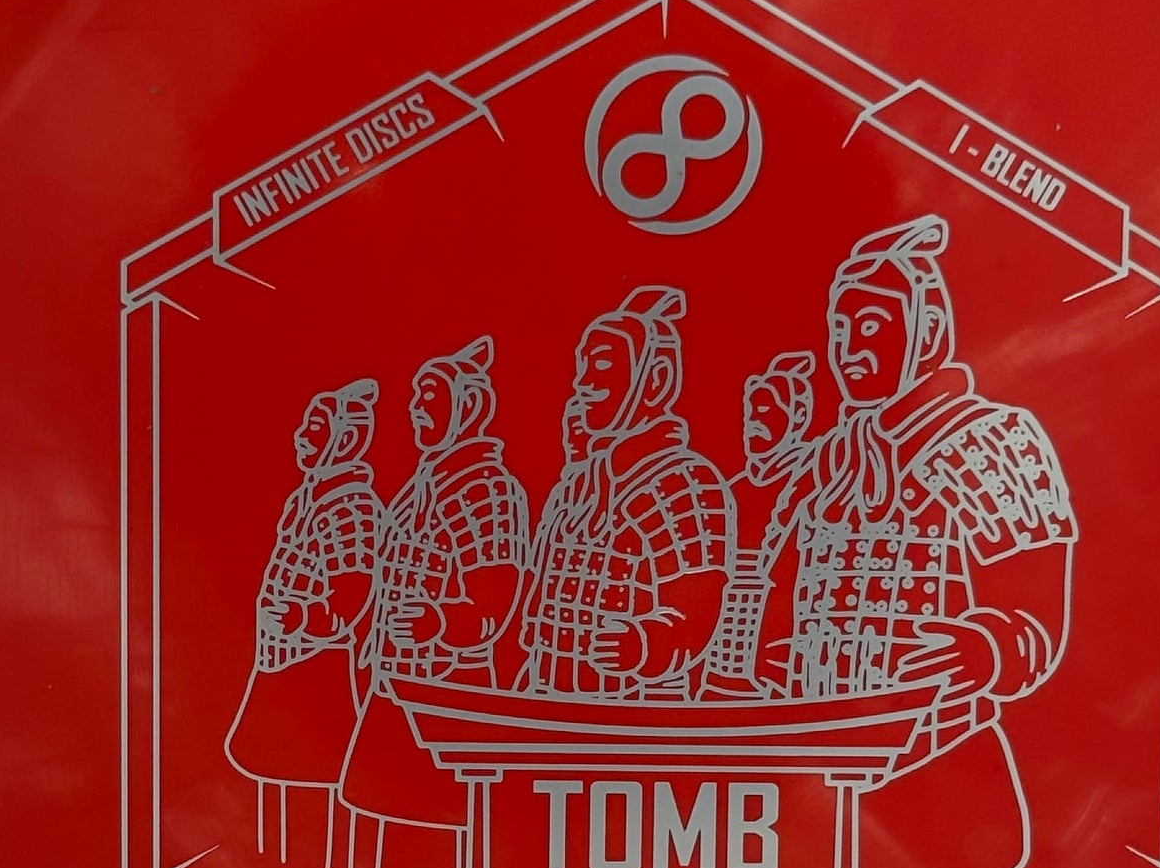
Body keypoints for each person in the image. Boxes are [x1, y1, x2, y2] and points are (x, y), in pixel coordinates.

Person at [783, 215, 1076, 868]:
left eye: (871, 327)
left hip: (947, 788)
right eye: (840, 330)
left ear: (928, 328)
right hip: (824, 797)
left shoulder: (991, 441)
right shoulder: (831, 461)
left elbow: (1037, 617)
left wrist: (985, 649)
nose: (850, 350)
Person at [340, 338, 530, 832]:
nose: (415, 407)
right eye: (415, 396)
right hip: (389, 689)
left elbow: (494, 604)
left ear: (468, 407)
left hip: (449, 700)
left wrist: (440, 621)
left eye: (429, 395)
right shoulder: (416, 489)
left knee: (444, 829)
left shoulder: (490, 491)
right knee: (374, 821)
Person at [517, 285, 732, 700]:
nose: (582, 383)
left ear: (655, 380)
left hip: (641, 706)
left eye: (601, 365)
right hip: (548, 697)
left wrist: (646, 644)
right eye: (582, 366)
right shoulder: (575, 488)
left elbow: (696, 609)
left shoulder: (684, 484)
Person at [224, 380, 382, 839]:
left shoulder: (352, 508)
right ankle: (270, 855)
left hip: (319, 669)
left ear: (345, 439)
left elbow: (352, 595)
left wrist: (302, 619)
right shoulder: (304, 500)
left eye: (315, 427)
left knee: (317, 776)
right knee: (270, 769)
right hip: (280, 663)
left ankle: (322, 863)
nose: (301, 436)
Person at [700, 350, 819, 697]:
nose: (753, 421)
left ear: (798, 416)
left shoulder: (814, 483)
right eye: (749, 412)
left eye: (765, 410)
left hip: (781, 667)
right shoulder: (729, 492)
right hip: (718, 662)